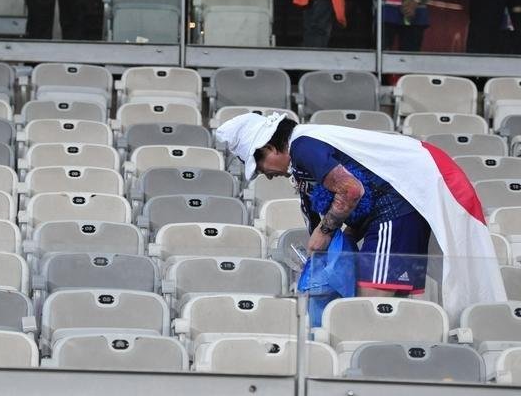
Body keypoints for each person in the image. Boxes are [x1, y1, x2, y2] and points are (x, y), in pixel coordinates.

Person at [216, 112, 505, 319]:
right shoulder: (303, 154)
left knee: (368, 309)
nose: (265, 175)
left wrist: (326, 231)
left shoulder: (303, 146)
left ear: (268, 147)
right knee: (389, 307)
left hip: (397, 209)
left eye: (261, 165)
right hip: (394, 211)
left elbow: (351, 190)